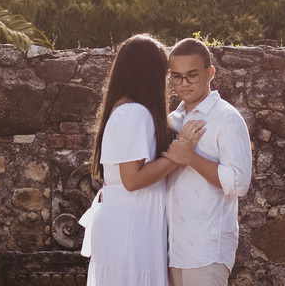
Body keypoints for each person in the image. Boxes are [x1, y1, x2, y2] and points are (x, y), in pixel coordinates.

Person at [80, 34, 205, 286]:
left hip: (133, 223)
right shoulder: (133, 112)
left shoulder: (131, 110)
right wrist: (178, 154)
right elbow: (132, 179)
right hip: (130, 229)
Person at [162, 37, 253, 286]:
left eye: (192, 75)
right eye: (176, 76)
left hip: (207, 248)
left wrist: (190, 158)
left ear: (209, 73)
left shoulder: (226, 118)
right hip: (173, 249)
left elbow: (239, 182)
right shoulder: (173, 120)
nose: (184, 83)